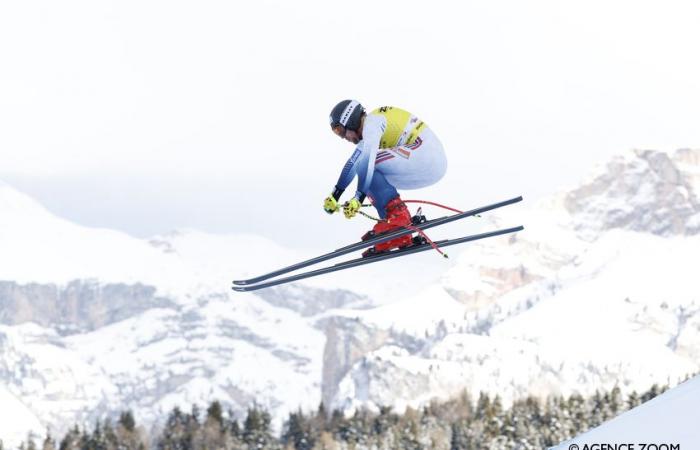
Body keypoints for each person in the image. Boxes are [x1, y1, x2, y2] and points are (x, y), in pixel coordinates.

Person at [324, 100, 447, 255]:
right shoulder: (369, 136)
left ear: (351, 120)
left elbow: (365, 164)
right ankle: (397, 231)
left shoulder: (372, 123)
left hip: (426, 154)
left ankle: (398, 219)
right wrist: (335, 195)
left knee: (368, 165)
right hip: (427, 163)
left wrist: (358, 198)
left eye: (340, 130)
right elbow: (352, 163)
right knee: (368, 168)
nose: (342, 137)